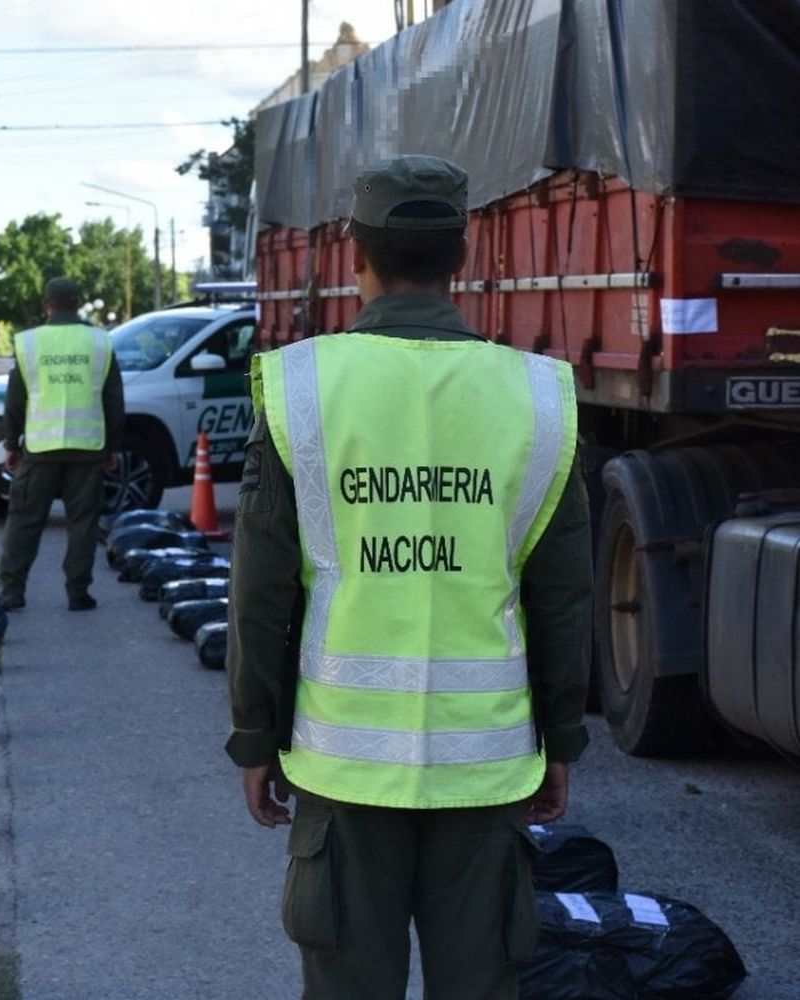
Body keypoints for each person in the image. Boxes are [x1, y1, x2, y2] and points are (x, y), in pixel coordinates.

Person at [226, 155, 592, 998]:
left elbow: (261, 589)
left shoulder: (302, 387)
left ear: (355, 253)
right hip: (487, 766)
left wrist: (253, 735)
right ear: (461, 256)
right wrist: (562, 739)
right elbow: (565, 596)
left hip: (340, 767)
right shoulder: (537, 396)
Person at [0, 277, 124, 611]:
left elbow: (15, 399)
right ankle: (78, 592)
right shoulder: (99, 341)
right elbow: (114, 399)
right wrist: (113, 446)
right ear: (78, 302)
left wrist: (12, 444)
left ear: (46, 304)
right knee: (82, 521)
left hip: (40, 447)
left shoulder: (29, 343)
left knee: (24, 518)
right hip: (88, 446)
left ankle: (12, 590)